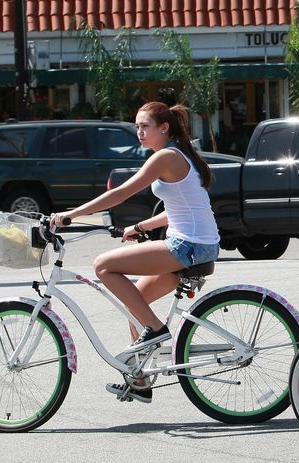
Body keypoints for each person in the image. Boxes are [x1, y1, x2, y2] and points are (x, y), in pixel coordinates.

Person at [50, 102, 221, 403]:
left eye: (145, 126)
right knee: (134, 307)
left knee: (103, 265)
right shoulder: (175, 155)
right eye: (137, 127)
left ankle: (156, 331)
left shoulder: (166, 157)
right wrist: (141, 226)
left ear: (164, 128)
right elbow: (178, 209)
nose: (139, 132)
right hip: (198, 244)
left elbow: (121, 193)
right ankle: (140, 380)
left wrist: (71, 214)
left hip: (189, 247)